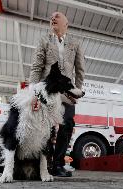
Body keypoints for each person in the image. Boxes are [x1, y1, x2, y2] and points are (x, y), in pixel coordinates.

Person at [29, 11, 85, 177]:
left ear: (66, 23)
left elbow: (80, 69)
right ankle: (43, 165)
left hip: (67, 93)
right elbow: (36, 67)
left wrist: (77, 91)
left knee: (67, 125)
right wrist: (33, 93)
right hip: (48, 91)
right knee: (44, 128)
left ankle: (58, 164)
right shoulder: (44, 40)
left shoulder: (75, 43)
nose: (52, 18)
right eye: (51, 17)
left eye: (57, 16)